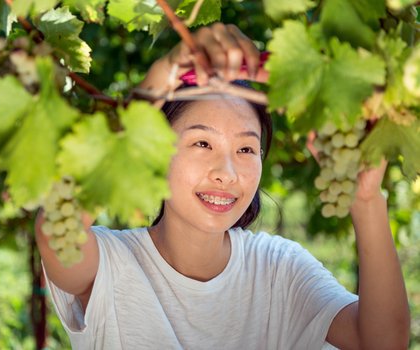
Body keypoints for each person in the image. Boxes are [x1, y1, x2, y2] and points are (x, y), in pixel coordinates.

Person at [35, 23, 410, 349]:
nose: (227, 172)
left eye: (246, 148)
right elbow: (56, 229)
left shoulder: (279, 268)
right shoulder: (112, 264)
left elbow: (381, 343)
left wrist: (365, 199)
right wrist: (155, 85)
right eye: (202, 143)